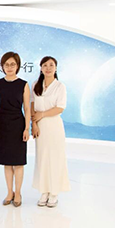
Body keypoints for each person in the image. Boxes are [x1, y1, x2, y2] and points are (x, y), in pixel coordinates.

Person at [0, 52, 31, 207]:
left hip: (18, 124)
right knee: (7, 162)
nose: (9, 67)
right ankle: (9, 192)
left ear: (18, 66)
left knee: (18, 162)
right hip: (2, 124)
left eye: (13, 64)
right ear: (2, 66)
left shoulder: (23, 84)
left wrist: (27, 128)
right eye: (6, 64)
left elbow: (27, 108)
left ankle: (18, 193)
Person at [31, 56, 70, 208]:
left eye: (51, 65)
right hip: (40, 127)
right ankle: (44, 191)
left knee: (55, 158)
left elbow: (60, 108)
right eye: (45, 65)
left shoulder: (60, 87)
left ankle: (54, 193)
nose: (48, 68)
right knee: (42, 159)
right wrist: (34, 124)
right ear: (41, 68)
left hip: (54, 126)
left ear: (56, 68)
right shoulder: (36, 85)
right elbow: (32, 105)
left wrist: (42, 114)